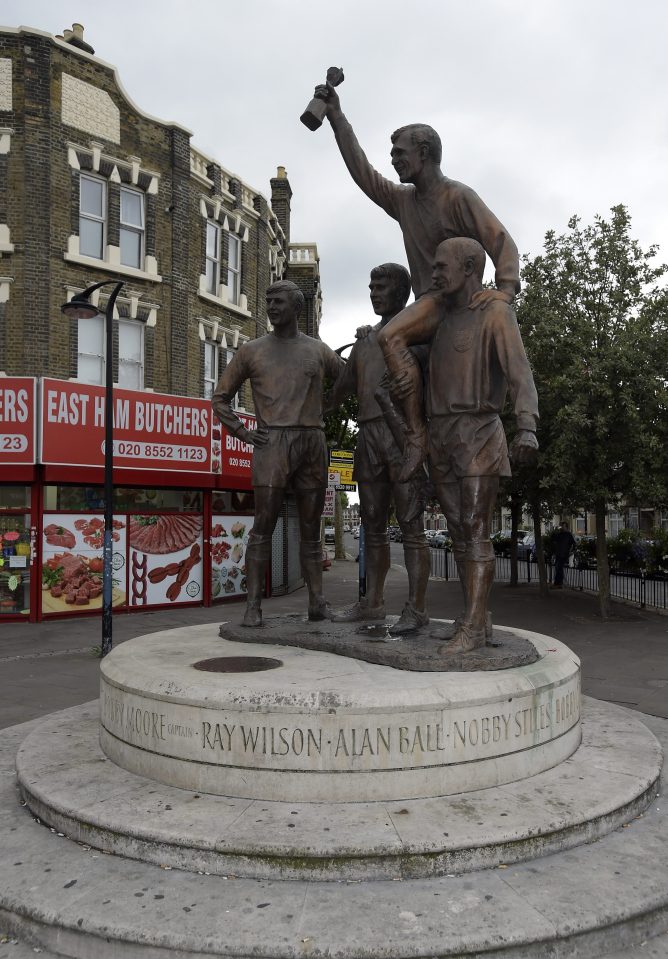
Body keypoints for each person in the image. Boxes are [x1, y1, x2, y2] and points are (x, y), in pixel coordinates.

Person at [314, 81, 520, 478]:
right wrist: (337, 119)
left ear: (424, 154)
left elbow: (501, 241)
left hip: (460, 299)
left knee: (393, 339)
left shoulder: (459, 197)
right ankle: (416, 436)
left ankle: (421, 434)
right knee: (388, 336)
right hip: (430, 302)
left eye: (399, 153)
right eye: (392, 154)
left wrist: (504, 292)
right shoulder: (404, 200)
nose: (393, 161)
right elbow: (364, 174)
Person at [424, 238, 539, 651]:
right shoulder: (439, 315)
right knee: (456, 531)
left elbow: (519, 373)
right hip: (441, 434)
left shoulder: (495, 312)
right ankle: (477, 617)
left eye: (442, 266)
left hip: (479, 431)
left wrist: (527, 425)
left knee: (474, 530)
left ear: (469, 267)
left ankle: (473, 627)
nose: (435, 273)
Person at [212, 281, 344, 627]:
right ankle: (253, 606)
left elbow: (348, 378)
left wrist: (328, 405)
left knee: (311, 530)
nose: (271, 306)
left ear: (296, 307)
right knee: (263, 527)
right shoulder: (251, 351)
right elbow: (220, 397)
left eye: (278, 301)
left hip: (311, 442)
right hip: (272, 442)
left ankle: (317, 602)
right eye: (268, 300)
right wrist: (241, 432)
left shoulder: (317, 350)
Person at [327, 263, 430, 635]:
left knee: (412, 526)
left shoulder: (416, 333)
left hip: (403, 436)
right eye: (370, 286)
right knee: (372, 525)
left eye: (380, 286)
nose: (373, 293)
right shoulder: (364, 343)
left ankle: (416, 609)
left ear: (400, 291)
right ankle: (372, 603)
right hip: (368, 436)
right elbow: (338, 390)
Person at [551, 522, 576, 589]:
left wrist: (572, 551)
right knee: (558, 567)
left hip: (564, 554)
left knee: (559, 567)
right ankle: (558, 583)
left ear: (566, 527)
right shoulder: (559, 534)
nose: (562, 527)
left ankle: (558, 583)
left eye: (563, 526)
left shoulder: (569, 535)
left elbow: (574, 544)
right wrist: (555, 531)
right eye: (561, 526)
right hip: (558, 554)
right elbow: (553, 539)